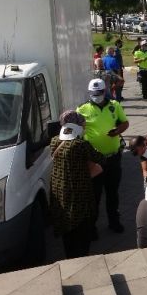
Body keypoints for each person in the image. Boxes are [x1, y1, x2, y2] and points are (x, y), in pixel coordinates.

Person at [77, 79, 130, 233]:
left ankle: (114, 222)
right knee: (95, 195)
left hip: (113, 158)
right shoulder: (82, 109)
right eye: (93, 94)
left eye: (99, 93)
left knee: (112, 193)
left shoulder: (115, 106)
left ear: (104, 91)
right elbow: (78, 132)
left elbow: (125, 123)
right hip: (94, 161)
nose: (96, 96)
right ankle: (92, 227)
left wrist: (116, 131)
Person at [49, 110, 103, 258]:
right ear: (77, 125)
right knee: (82, 230)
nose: (84, 126)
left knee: (67, 230)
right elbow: (100, 158)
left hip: (60, 192)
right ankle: (81, 256)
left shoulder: (54, 141)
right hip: (78, 192)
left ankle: (70, 255)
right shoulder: (80, 145)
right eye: (83, 124)